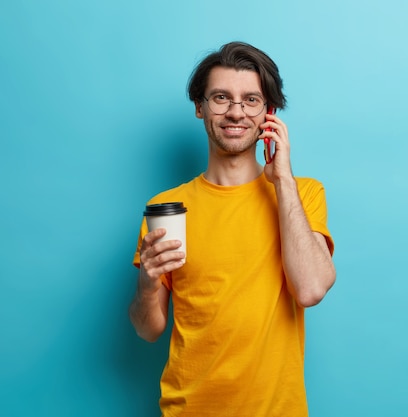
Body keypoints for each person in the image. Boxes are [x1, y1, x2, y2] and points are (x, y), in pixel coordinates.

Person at [129, 41, 336, 417]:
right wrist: (146, 282)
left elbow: (310, 288)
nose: (236, 112)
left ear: (269, 113)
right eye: (221, 97)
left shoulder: (302, 194)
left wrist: (283, 180)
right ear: (200, 107)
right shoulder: (166, 209)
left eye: (251, 100)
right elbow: (148, 330)